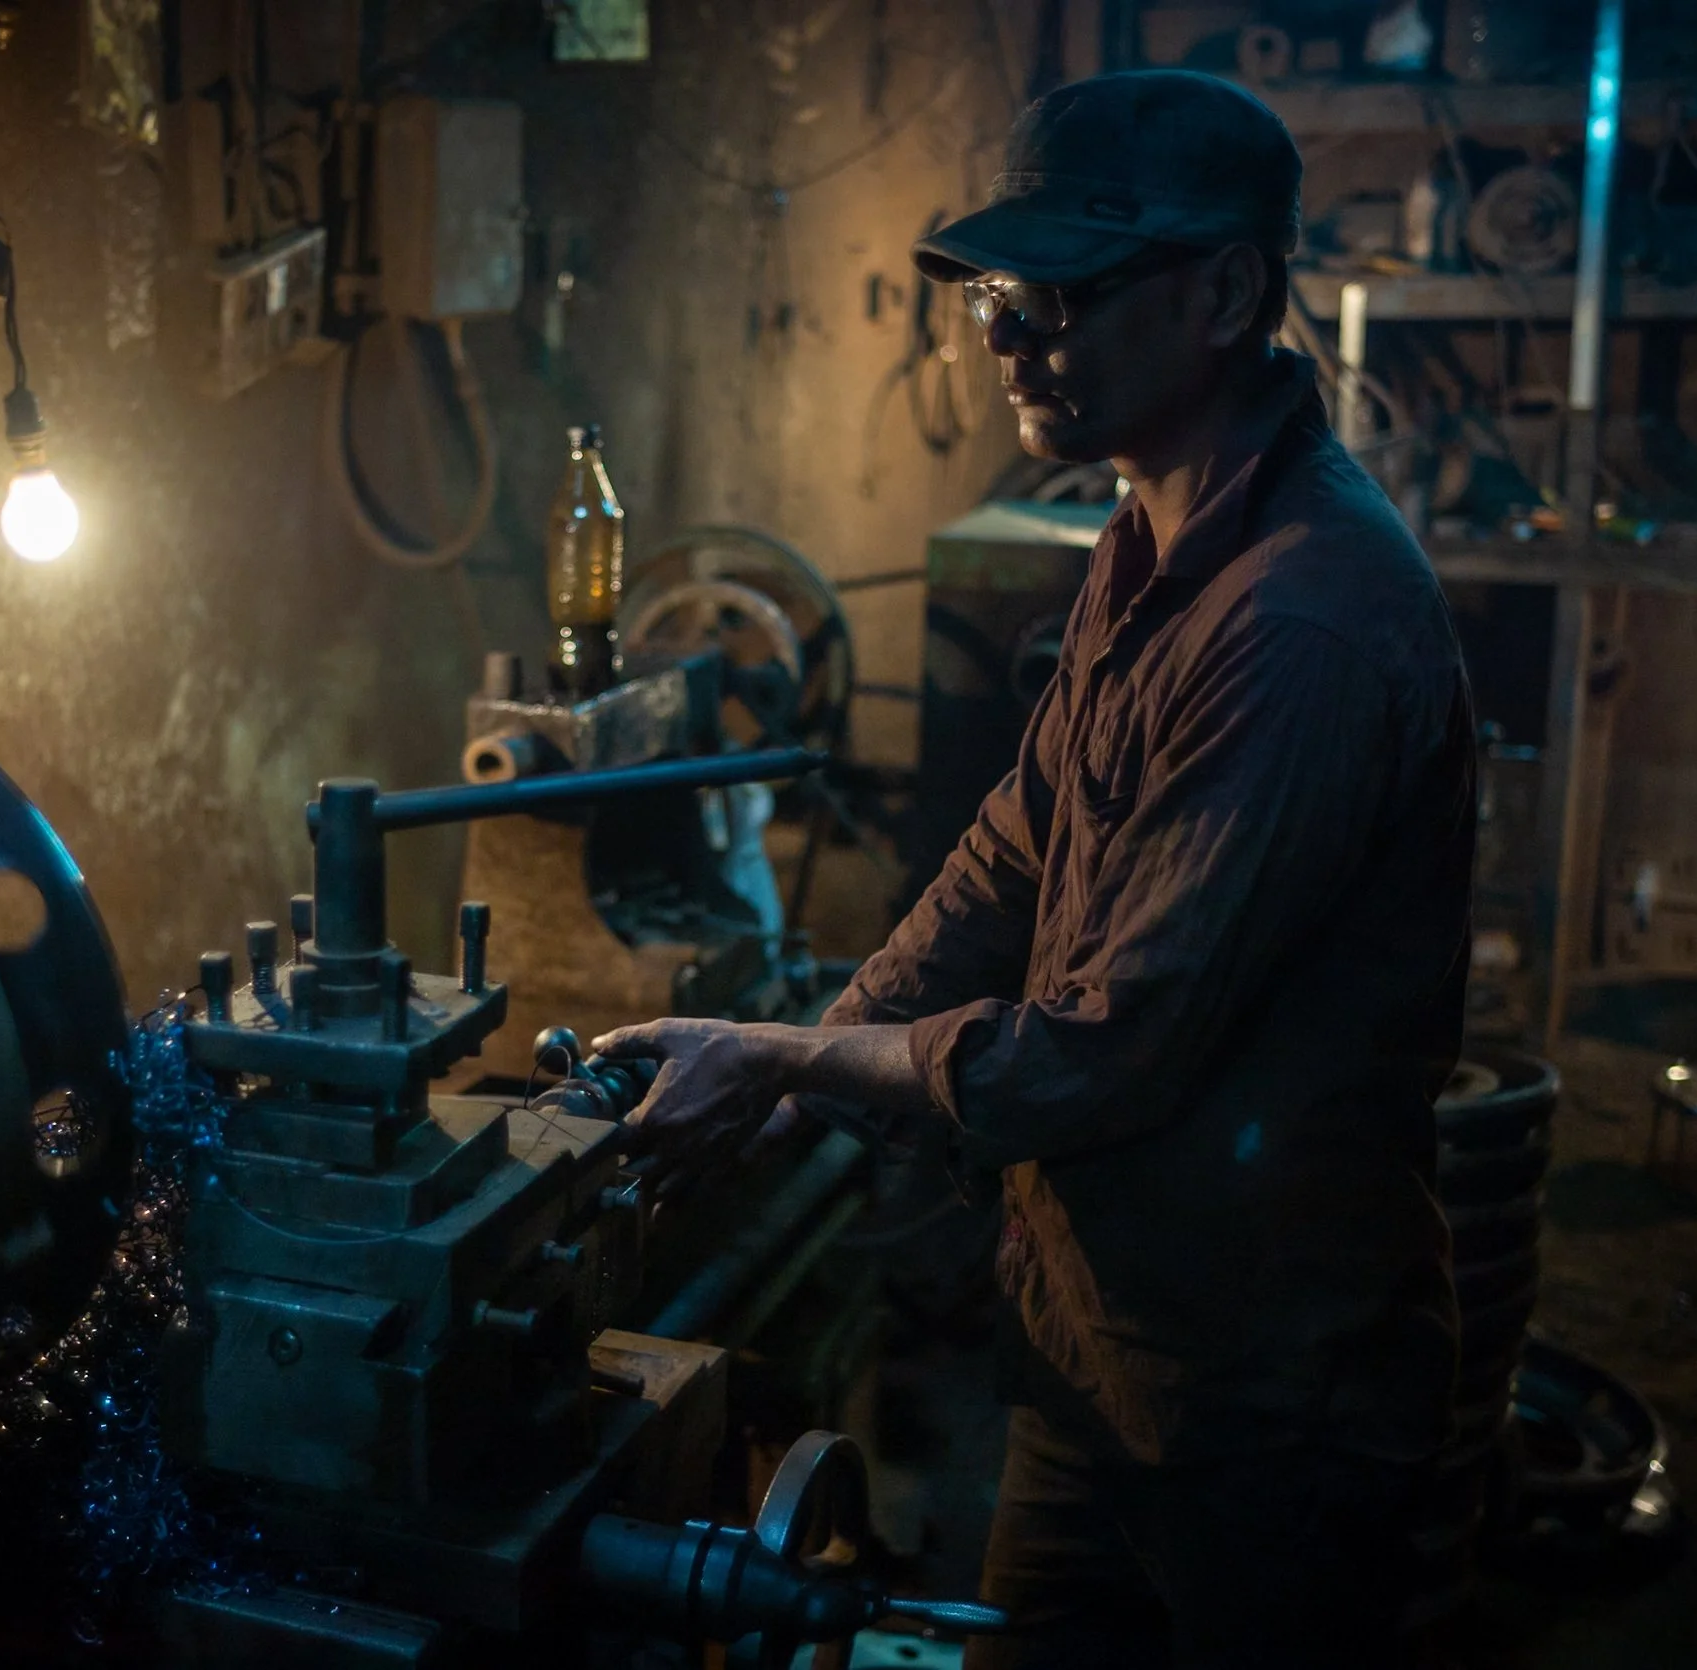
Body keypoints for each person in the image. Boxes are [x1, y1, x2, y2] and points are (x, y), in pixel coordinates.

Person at [593, 70, 1476, 1669]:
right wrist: (808, 1074)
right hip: (1104, 1356)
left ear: (1220, 292)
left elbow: (1095, 1055)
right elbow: (1015, 848)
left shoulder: (1300, 624)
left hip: (1268, 1407)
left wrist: (796, 1052)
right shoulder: (1150, 541)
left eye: (1056, 293)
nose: (1003, 336)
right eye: (997, 294)